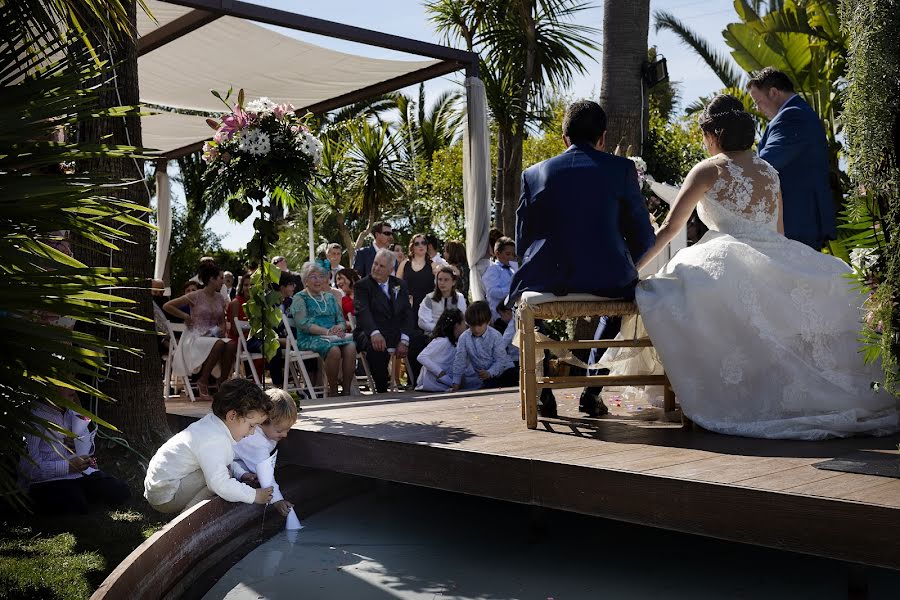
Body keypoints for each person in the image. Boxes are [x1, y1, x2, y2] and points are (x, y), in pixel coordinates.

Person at [601, 94, 899, 440]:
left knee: (663, 292)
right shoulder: (769, 171)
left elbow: (670, 229)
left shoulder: (708, 169)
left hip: (724, 251)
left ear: (713, 135)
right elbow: (780, 233)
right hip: (774, 252)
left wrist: (635, 267)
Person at [507, 99, 656, 418]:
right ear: (602, 138)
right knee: (616, 310)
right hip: (609, 278)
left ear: (564, 138)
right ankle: (592, 391)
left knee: (532, 309)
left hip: (549, 277)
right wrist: (628, 265)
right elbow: (644, 236)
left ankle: (544, 391)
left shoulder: (533, 175)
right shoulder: (622, 169)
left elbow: (523, 240)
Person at [144, 379, 274, 514]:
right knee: (218, 480)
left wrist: (242, 474)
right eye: (251, 425)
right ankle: (188, 519)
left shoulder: (213, 425)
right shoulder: (213, 439)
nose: (252, 432)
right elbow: (220, 484)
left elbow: (223, 461)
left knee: (221, 472)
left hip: (163, 489)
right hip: (166, 498)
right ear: (232, 415)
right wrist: (254, 495)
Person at [748, 67, 836, 250]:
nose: (757, 108)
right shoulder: (798, 113)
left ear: (773, 92)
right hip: (799, 220)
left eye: (758, 101)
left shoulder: (792, 116)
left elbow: (765, 164)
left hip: (797, 220)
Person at [20, 390, 130, 514]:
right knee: (74, 502)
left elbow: (87, 449)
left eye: (73, 377)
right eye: (64, 381)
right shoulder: (35, 417)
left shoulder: (73, 413)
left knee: (120, 491)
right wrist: (67, 467)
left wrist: (81, 447)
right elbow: (28, 469)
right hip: (48, 481)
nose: (71, 386)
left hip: (80, 475)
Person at [164, 263, 235, 401]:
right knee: (220, 344)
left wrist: (221, 328)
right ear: (211, 279)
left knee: (231, 344)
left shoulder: (220, 298)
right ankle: (203, 380)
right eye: (220, 278)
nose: (222, 281)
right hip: (194, 336)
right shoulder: (196, 295)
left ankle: (222, 381)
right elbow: (168, 306)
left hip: (212, 336)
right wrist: (185, 316)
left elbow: (221, 320)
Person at [290, 262, 357, 396]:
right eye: (313, 277)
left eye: (321, 276)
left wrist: (338, 328)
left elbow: (340, 320)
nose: (318, 280)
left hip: (332, 336)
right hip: (309, 338)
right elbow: (303, 323)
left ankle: (347, 390)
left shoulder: (329, 297)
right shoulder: (299, 298)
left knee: (351, 347)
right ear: (305, 281)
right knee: (334, 350)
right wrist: (326, 332)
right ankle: (333, 391)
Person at [352, 248, 413, 393]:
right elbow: (363, 311)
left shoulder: (399, 285)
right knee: (376, 347)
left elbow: (407, 313)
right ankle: (382, 390)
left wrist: (404, 339)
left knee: (419, 340)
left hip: (395, 331)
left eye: (381, 266)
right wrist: (374, 333)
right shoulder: (362, 286)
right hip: (369, 331)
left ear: (391, 269)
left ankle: (418, 384)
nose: (376, 268)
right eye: (375, 264)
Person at [232, 388, 297, 518]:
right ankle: (240, 473)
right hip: (226, 460)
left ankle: (242, 473)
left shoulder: (267, 432)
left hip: (238, 458)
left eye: (288, 429)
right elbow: (265, 475)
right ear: (262, 422)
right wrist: (277, 500)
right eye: (279, 431)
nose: (284, 434)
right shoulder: (255, 441)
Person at [451, 301, 517, 391]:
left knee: (511, 377)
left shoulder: (495, 335)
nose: (476, 329)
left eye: (480, 325)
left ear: (488, 322)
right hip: (486, 378)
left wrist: (490, 372)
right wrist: (456, 383)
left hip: (504, 371)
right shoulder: (464, 338)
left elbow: (500, 360)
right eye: (472, 326)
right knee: (488, 385)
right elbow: (459, 361)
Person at [415, 309, 475, 392]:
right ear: (457, 325)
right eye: (463, 321)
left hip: (446, 380)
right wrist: (440, 373)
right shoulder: (443, 340)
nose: (466, 325)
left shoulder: (455, 343)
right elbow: (422, 357)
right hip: (434, 381)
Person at [418, 267, 467, 335]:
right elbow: (423, 322)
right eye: (440, 279)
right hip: (433, 336)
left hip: (453, 336)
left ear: (453, 282)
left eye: (446, 280)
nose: (442, 283)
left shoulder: (459, 297)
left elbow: (462, 319)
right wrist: (440, 330)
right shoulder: (429, 298)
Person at [482, 237, 517, 321]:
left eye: (513, 255)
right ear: (497, 254)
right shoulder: (492, 270)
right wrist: (514, 291)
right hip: (498, 317)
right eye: (508, 254)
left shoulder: (512, 270)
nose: (511, 257)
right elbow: (492, 292)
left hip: (512, 316)